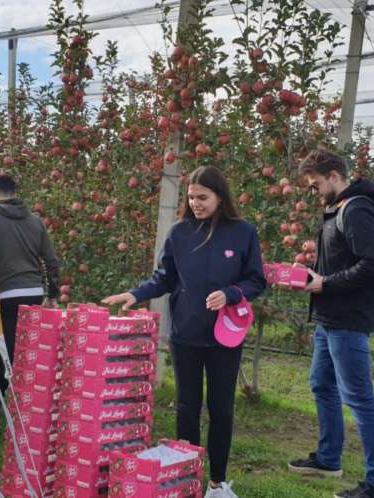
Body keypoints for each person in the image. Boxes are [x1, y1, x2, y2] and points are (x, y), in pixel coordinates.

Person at [102, 166, 265, 498]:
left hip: (224, 337)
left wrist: (231, 294)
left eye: (202, 197)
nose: (195, 203)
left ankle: (217, 483)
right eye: (191, 197)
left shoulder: (243, 232)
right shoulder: (179, 233)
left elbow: (256, 280)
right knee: (187, 407)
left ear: (220, 197)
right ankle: (185, 477)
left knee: (221, 409)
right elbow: (164, 278)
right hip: (185, 334)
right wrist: (135, 294)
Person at [284, 150, 374, 498]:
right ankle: (328, 459)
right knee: (321, 384)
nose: (314, 191)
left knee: (359, 398)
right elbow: (341, 261)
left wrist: (325, 283)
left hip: (348, 320)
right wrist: (310, 274)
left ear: (333, 176)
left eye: (316, 184)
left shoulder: (356, 209)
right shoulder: (337, 209)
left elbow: (372, 265)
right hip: (329, 318)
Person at [0, 174, 60, 415]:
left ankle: (6, 404)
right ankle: (2, 400)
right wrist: (52, 293)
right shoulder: (35, 221)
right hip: (34, 293)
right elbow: (51, 260)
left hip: (6, 295)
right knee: (21, 347)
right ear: (14, 194)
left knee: (8, 350)